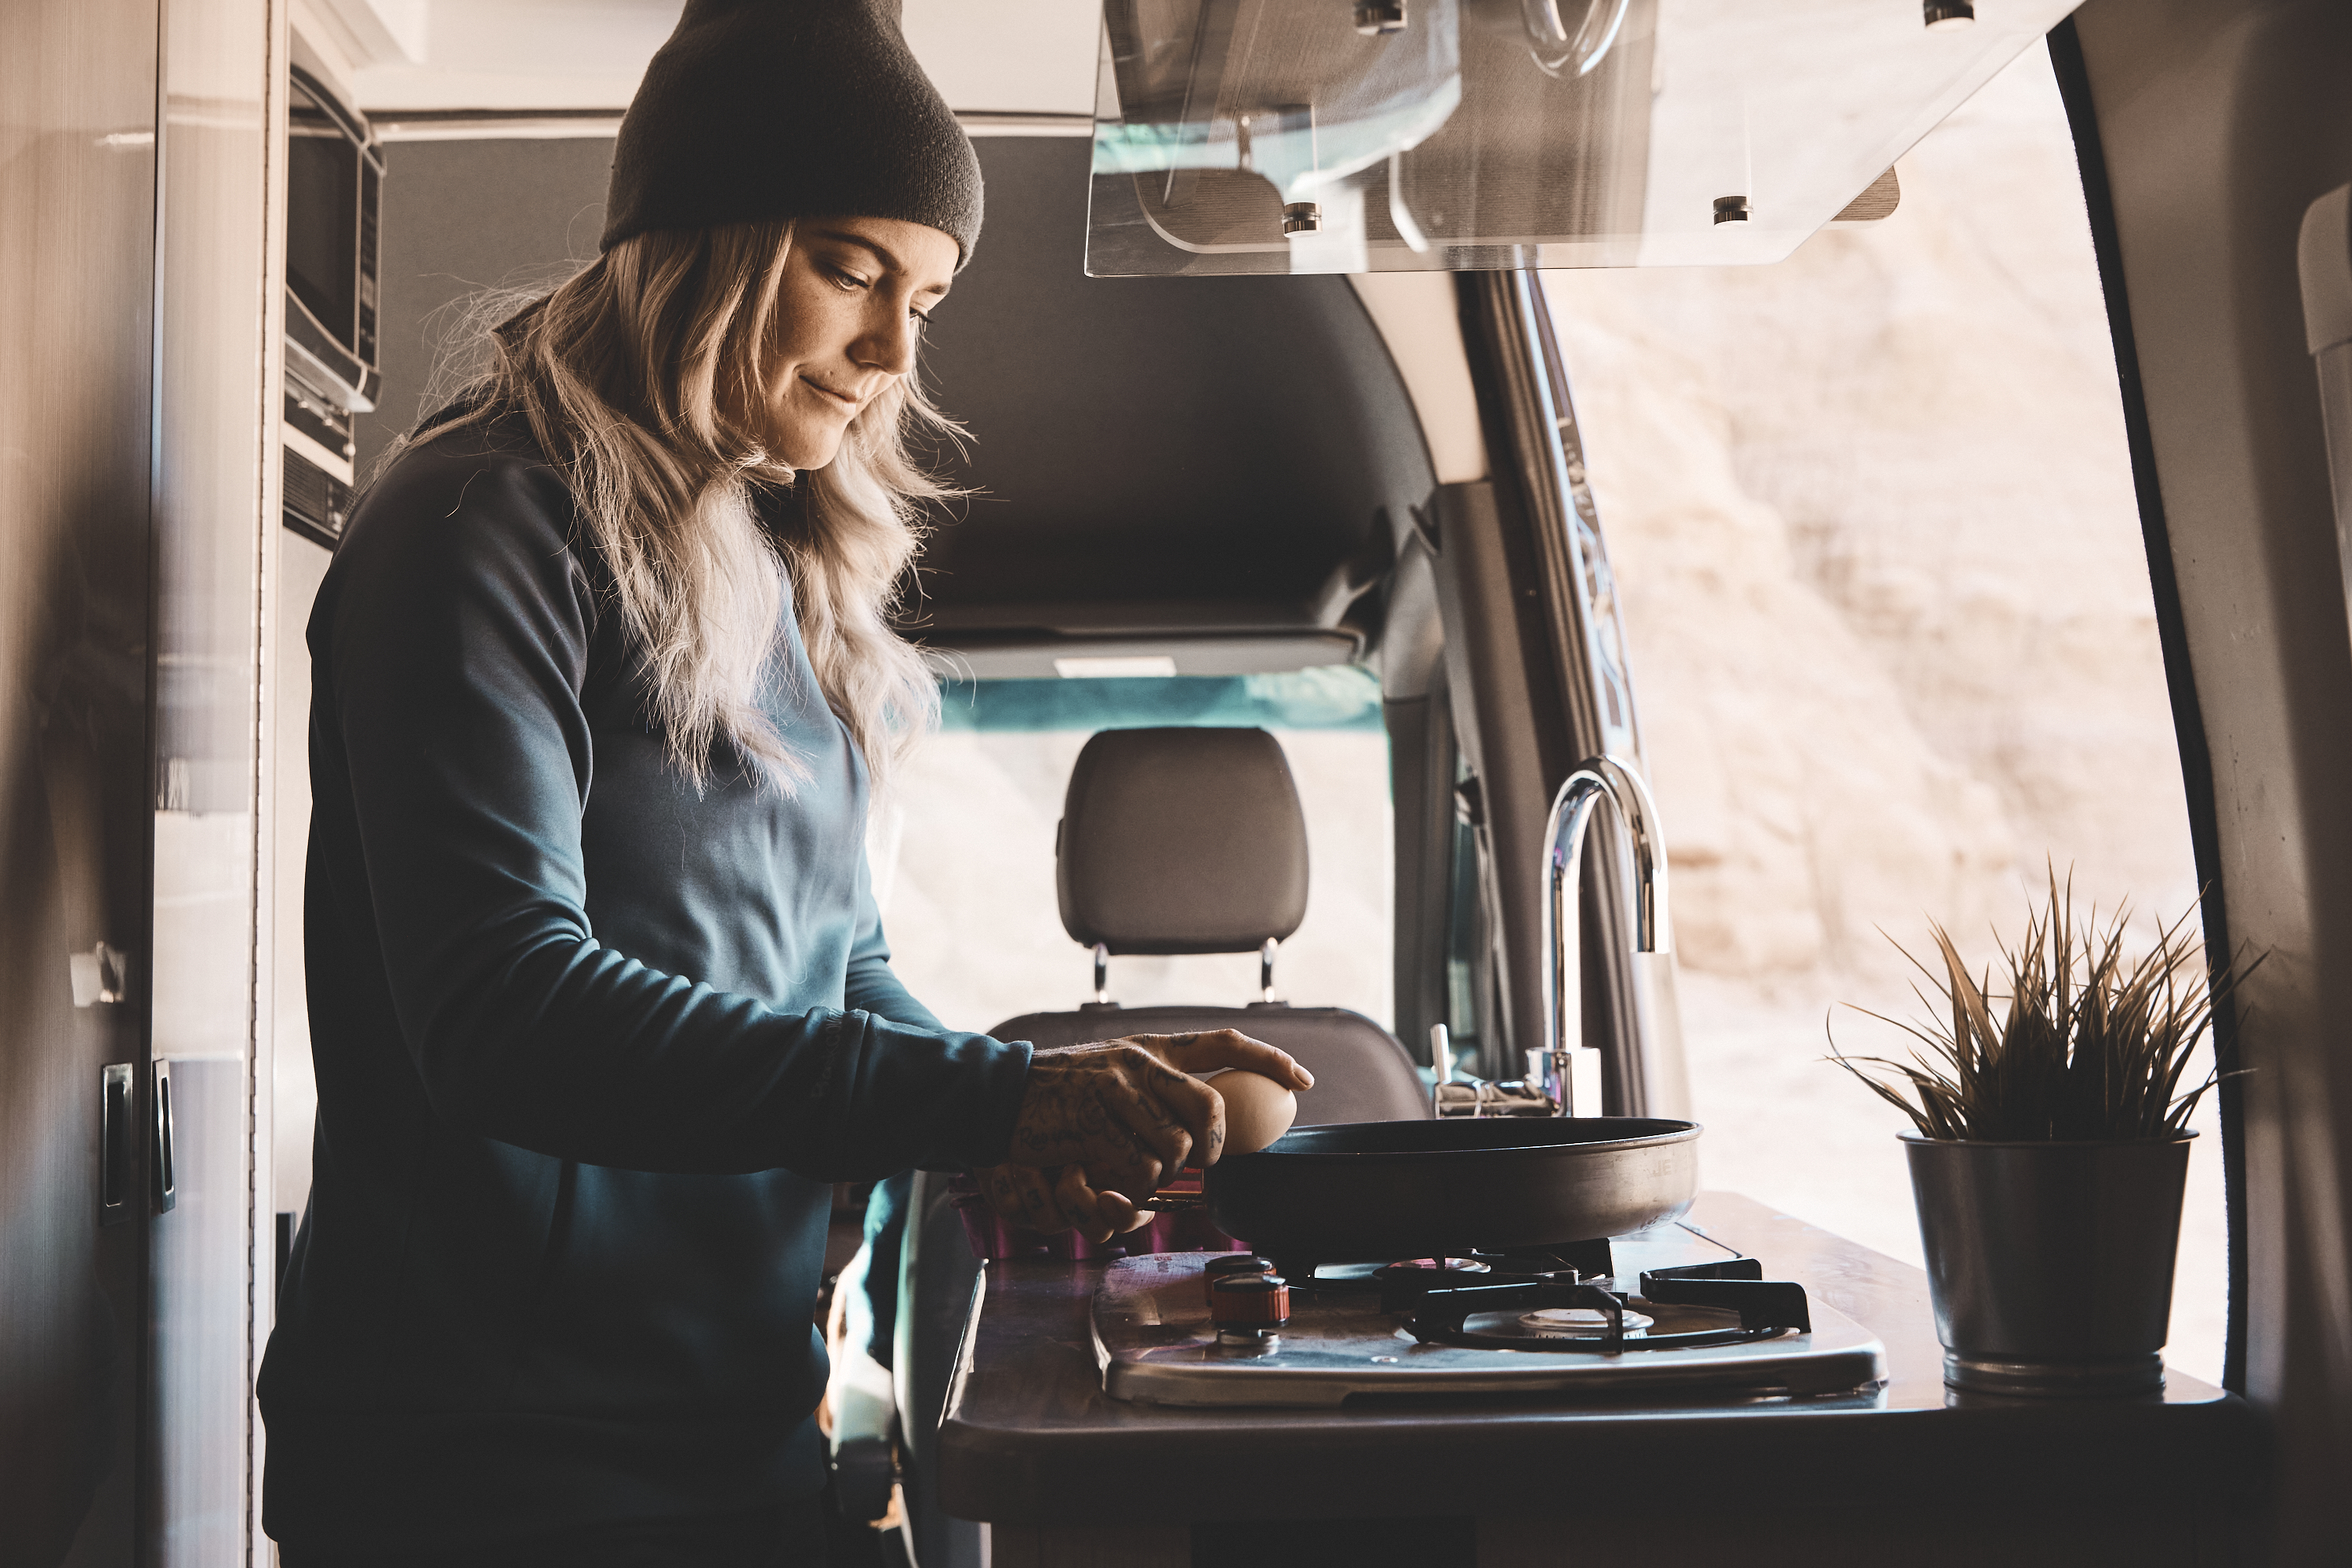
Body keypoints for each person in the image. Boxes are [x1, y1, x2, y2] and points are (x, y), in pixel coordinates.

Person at [256, 3, 1312, 1563]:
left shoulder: (769, 564)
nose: (892, 354)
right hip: (497, 1469)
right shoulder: (479, 525)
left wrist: (1042, 1113)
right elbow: (506, 1013)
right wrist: (995, 1100)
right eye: (850, 268)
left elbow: (838, 966)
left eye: (925, 298)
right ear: (701, 239)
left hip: (731, 1422)